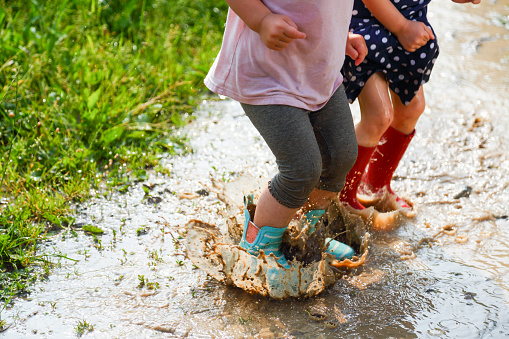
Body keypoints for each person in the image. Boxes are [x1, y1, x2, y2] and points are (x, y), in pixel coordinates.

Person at [205, 0, 368, 269]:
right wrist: (261, 19)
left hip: (318, 67)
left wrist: (337, 35)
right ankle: (259, 251)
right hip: (268, 72)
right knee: (302, 168)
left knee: (341, 155)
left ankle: (306, 232)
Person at [339, 0, 481, 216]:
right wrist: (402, 27)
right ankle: (342, 197)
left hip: (409, 23)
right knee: (379, 115)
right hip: (365, 29)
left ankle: (375, 187)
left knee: (412, 108)